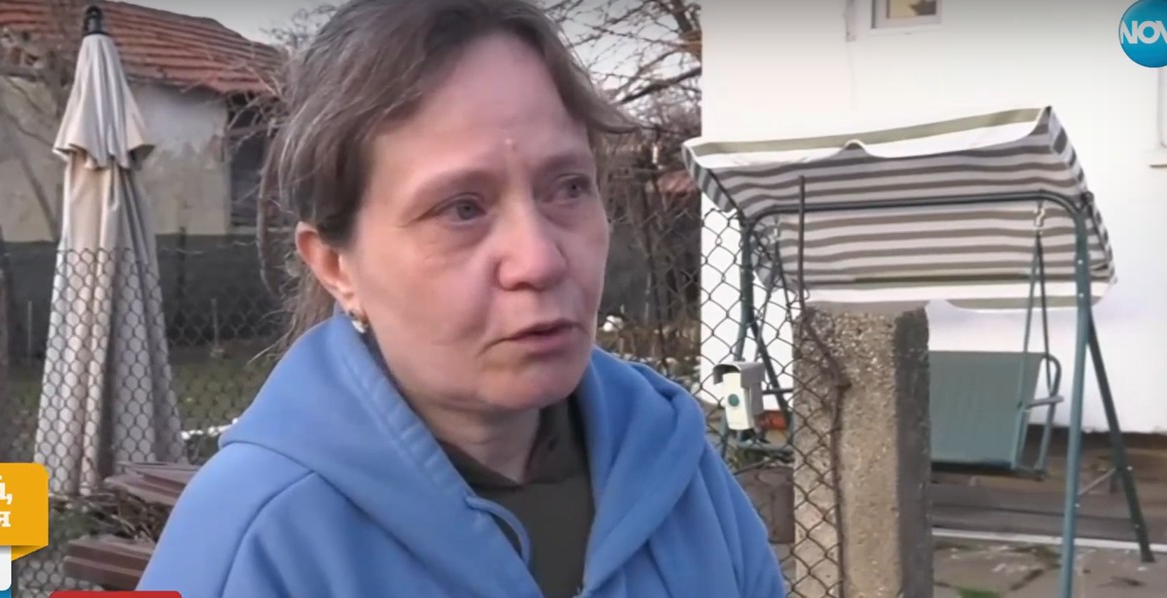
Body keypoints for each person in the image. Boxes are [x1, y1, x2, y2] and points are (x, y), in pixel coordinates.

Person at [136, 0, 784, 596]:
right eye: (462, 208)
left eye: (567, 187)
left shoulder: (677, 469)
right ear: (336, 267)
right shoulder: (252, 541)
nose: (540, 259)